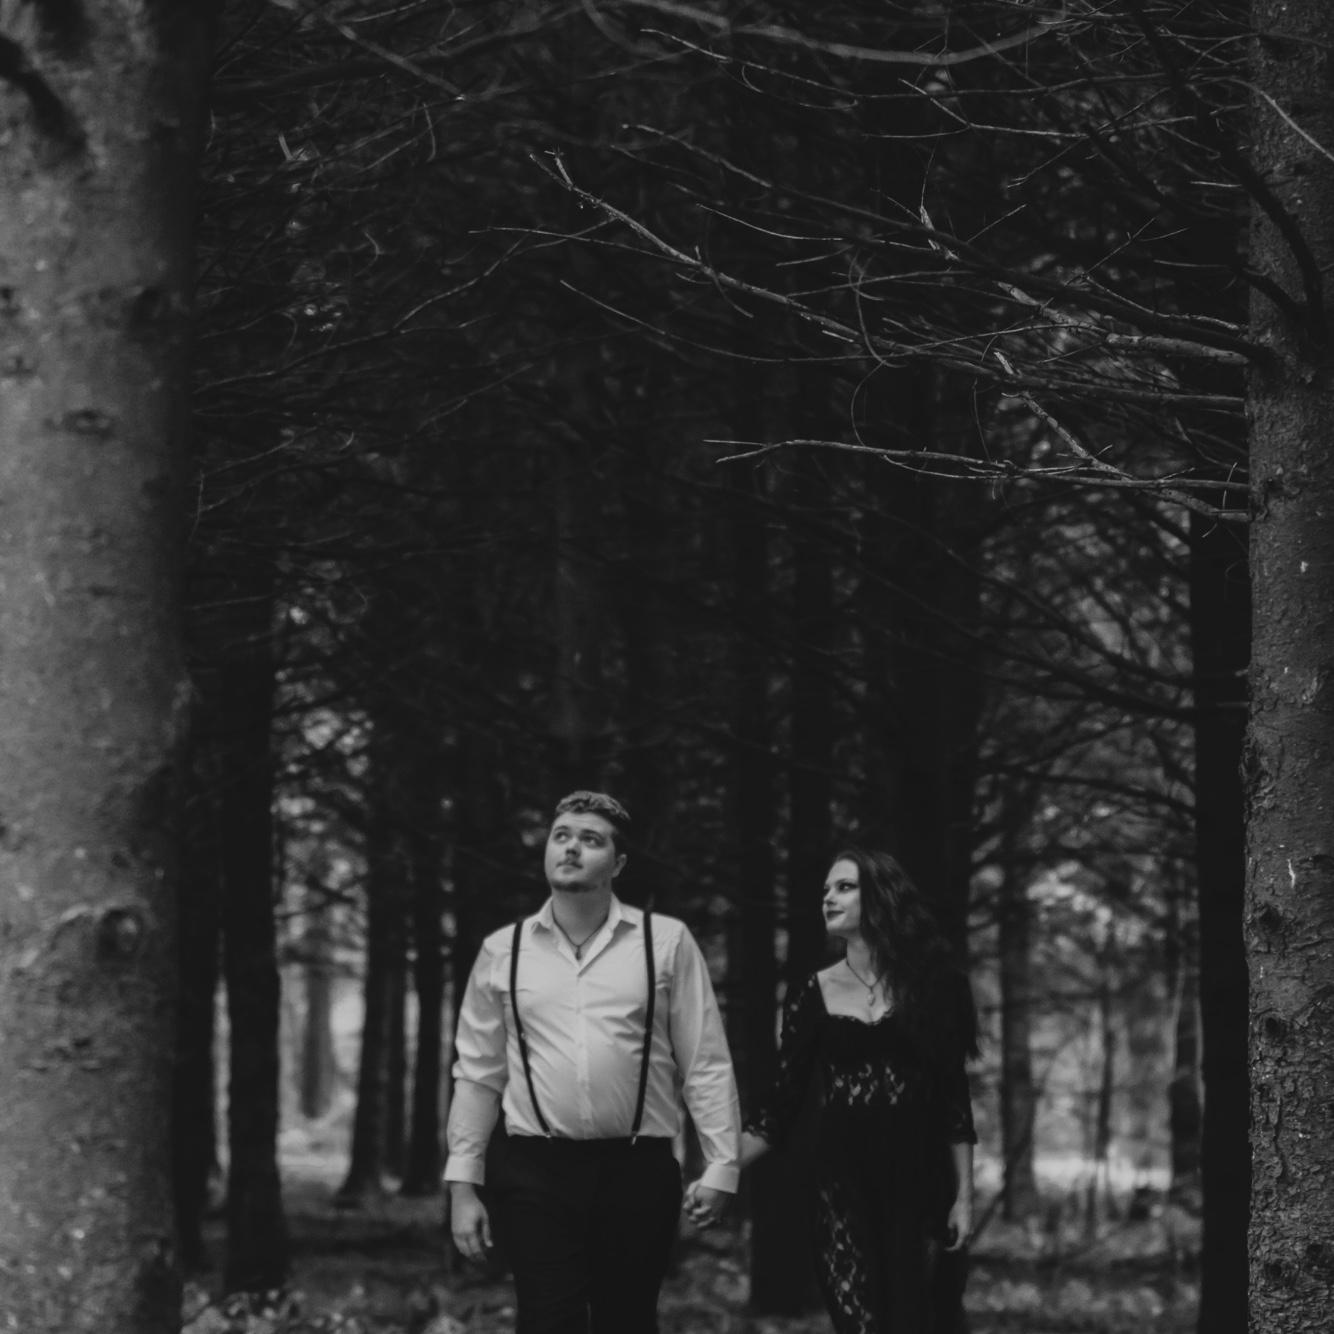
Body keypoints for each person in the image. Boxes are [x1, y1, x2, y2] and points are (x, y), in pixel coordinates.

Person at [445, 790, 740, 1334]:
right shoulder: (502, 950)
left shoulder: (665, 942)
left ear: (618, 863)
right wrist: (464, 1185)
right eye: (562, 836)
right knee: (547, 1320)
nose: (572, 848)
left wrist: (723, 1164)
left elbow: (705, 1059)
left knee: (626, 1321)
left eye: (590, 840)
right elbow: (478, 1074)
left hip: (638, 1169)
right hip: (534, 1170)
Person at [714, 847, 978, 1334]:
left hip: (920, 1185)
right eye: (825, 890)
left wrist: (964, 1198)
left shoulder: (938, 988)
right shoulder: (810, 993)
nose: (828, 898)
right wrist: (720, 1169)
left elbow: (953, 1105)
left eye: (844, 887)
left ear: (880, 896)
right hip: (841, 1186)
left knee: (915, 1322)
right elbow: (780, 1107)